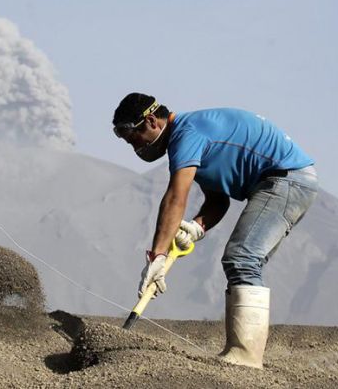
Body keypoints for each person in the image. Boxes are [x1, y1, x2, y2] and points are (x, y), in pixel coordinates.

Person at [112, 93, 318, 368]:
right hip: (284, 180)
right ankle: (242, 354)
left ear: (151, 121)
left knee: (242, 258)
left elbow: (176, 197)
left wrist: (157, 256)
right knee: (243, 259)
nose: (135, 148)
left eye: (133, 140)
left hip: (287, 179)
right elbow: (218, 200)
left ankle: (245, 358)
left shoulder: (186, 134)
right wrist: (196, 227)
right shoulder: (191, 137)